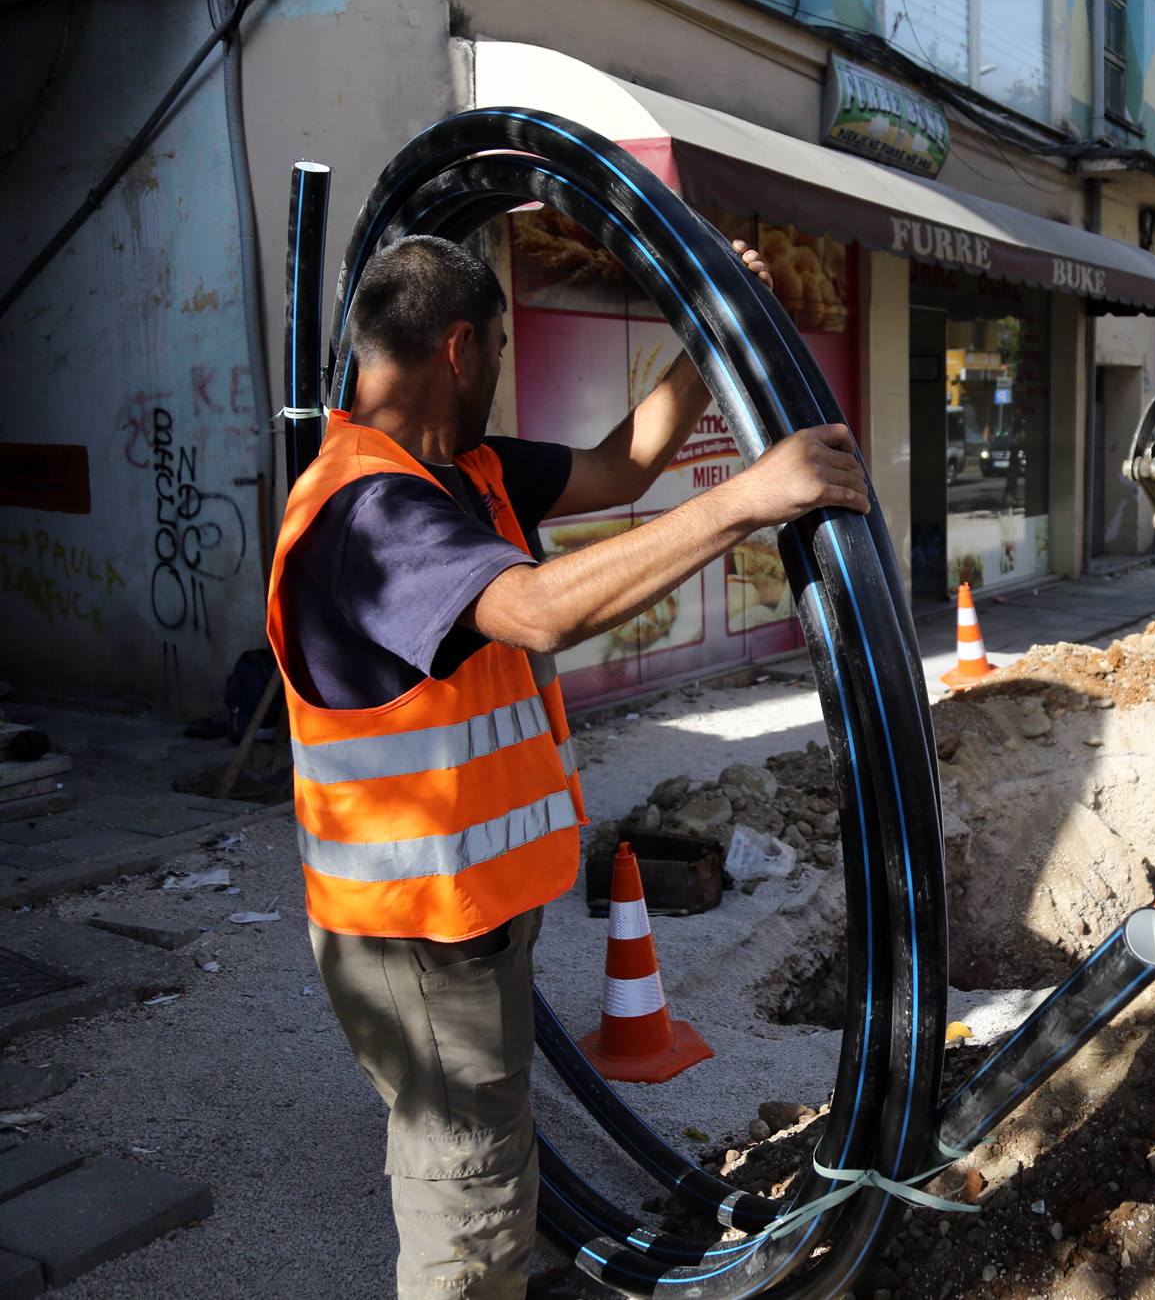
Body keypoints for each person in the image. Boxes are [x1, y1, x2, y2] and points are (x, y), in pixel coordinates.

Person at [265, 235, 868, 1298]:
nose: (501, 359)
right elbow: (536, 606)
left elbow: (625, 466)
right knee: (468, 1190)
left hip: (468, 908)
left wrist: (705, 331)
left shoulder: (466, 474)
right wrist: (746, 498)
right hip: (415, 927)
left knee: (480, 1147)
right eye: (499, 341)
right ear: (459, 345)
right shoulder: (371, 513)